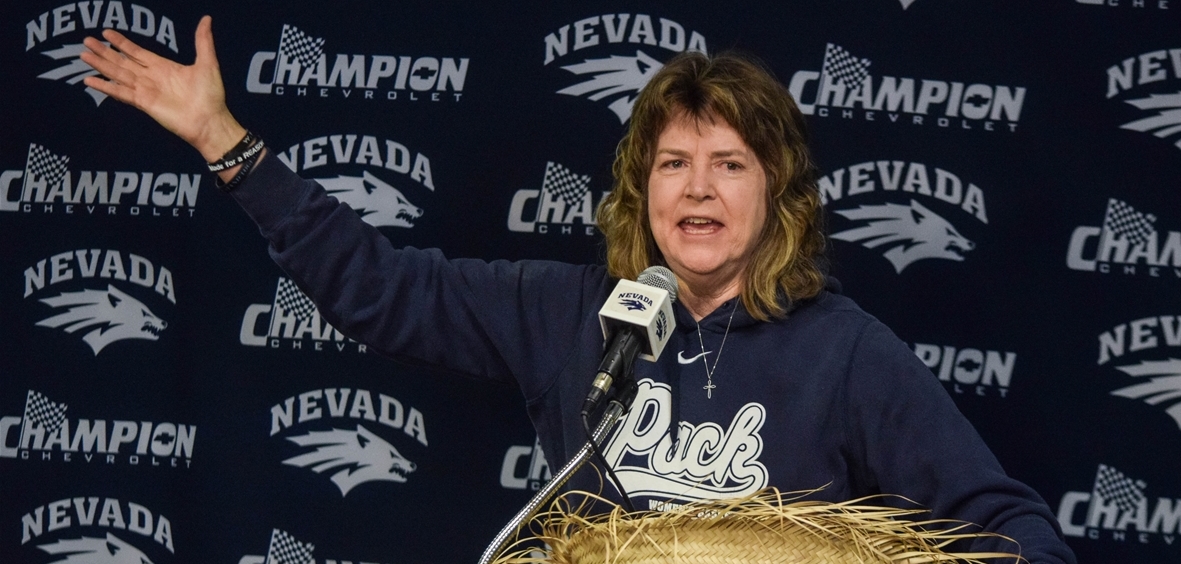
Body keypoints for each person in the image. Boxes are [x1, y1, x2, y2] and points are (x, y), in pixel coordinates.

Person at [81, 16, 1076, 563]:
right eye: (672, 163)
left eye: (727, 164)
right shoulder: (565, 313)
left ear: (774, 193)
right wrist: (226, 144)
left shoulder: (843, 351)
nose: (696, 189)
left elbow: (1017, 531)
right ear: (639, 190)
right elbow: (373, 288)